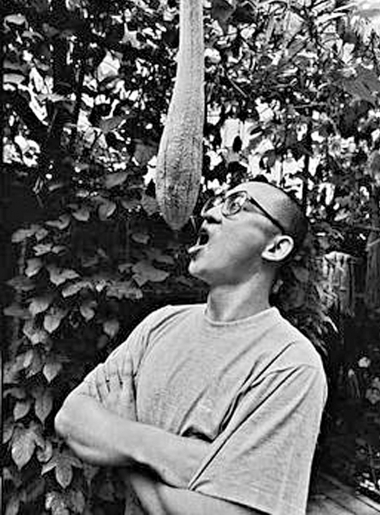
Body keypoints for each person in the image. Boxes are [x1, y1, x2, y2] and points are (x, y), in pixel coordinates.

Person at [55, 180, 327, 515]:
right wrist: (164, 451)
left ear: (275, 247)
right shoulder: (161, 324)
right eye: (214, 203)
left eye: (236, 204)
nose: (209, 213)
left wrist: (122, 444)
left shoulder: (290, 364)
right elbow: (72, 417)